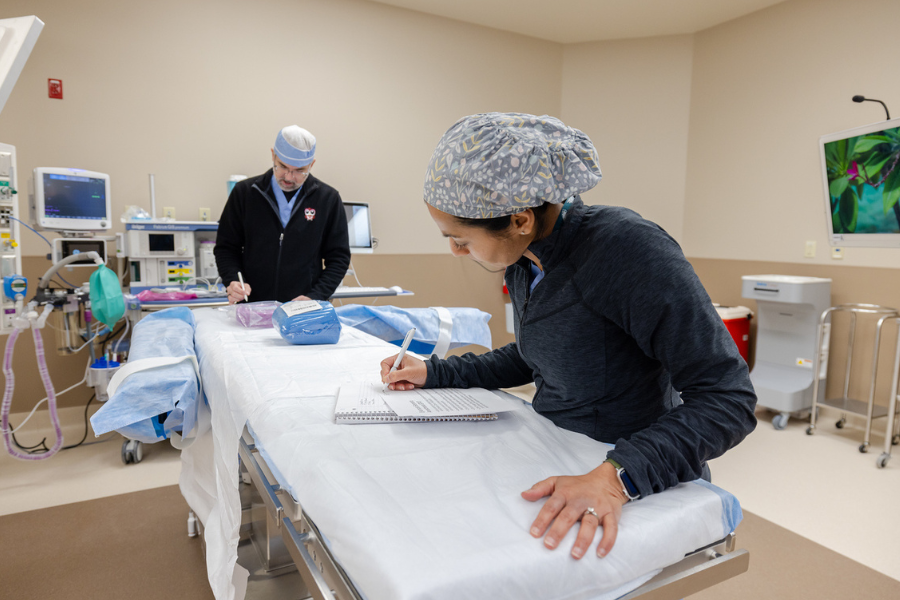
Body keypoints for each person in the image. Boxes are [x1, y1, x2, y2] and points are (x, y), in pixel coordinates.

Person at [380, 113, 757, 561]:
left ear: (520, 219)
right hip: (558, 450)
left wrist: (618, 477)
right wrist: (435, 372)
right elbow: (535, 354)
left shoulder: (627, 251)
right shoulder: (527, 259)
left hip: (633, 471)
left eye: (460, 239)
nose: (456, 251)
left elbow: (728, 397)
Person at [215, 125, 351, 303]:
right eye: (282, 167)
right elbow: (226, 248)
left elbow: (339, 258)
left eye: (299, 171)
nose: (288, 177)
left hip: (303, 308)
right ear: (273, 156)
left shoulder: (327, 199)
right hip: (253, 305)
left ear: (312, 165)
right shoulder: (246, 193)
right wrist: (232, 279)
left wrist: (316, 296)